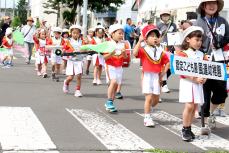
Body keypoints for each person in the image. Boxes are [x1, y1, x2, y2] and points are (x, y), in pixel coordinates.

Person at [195, 0, 229, 126]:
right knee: (205, 91)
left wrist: (221, 43)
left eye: (214, 3)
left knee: (221, 93)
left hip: (220, 61)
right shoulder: (199, 22)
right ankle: (206, 119)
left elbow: (227, 37)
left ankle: (211, 113)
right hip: (204, 60)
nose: (211, 6)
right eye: (208, 3)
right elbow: (193, 41)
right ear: (203, 6)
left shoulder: (223, 21)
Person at [133, 25, 170, 127]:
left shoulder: (160, 51)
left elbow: (167, 62)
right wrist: (139, 42)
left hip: (157, 77)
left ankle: (149, 108)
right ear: (145, 38)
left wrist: (163, 73)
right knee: (148, 98)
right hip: (147, 76)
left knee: (156, 100)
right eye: (152, 35)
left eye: (156, 36)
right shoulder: (143, 49)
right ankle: (147, 117)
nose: (155, 38)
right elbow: (135, 53)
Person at [178, 26, 206, 141]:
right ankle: (185, 128)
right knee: (189, 106)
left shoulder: (202, 54)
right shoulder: (183, 54)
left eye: (200, 40)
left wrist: (205, 78)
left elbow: (206, 69)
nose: (199, 42)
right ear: (188, 39)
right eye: (196, 40)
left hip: (198, 84)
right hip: (187, 83)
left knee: (194, 106)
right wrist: (194, 79)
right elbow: (181, 71)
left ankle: (189, 128)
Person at [103, 24, 128, 112]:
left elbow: (125, 57)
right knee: (113, 82)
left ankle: (110, 103)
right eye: (119, 33)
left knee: (116, 86)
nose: (121, 35)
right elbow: (104, 57)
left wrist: (124, 53)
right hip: (110, 66)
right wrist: (111, 54)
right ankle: (109, 101)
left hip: (119, 67)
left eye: (122, 34)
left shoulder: (122, 44)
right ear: (112, 34)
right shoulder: (108, 44)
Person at [157, 10, 177, 93]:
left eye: (167, 15)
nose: (165, 17)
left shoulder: (173, 25)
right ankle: (164, 84)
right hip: (161, 47)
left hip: (171, 47)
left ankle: (162, 81)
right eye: (164, 15)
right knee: (163, 65)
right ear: (161, 16)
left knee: (171, 67)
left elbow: (176, 35)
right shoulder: (158, 25)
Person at [62, 25, 85, 97]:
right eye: (74, 33)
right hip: (71, 61)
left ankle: (77, 90)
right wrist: (67, 52)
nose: (75, 34)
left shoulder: (82, 41)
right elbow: (64, 49)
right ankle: (66, 82)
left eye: (77, 33)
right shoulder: (68, 41)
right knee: (70, 77)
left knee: (78, 76)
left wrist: (84, 50)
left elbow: (85, 49)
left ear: (79, 34)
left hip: (79, 60)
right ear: (71, 33)